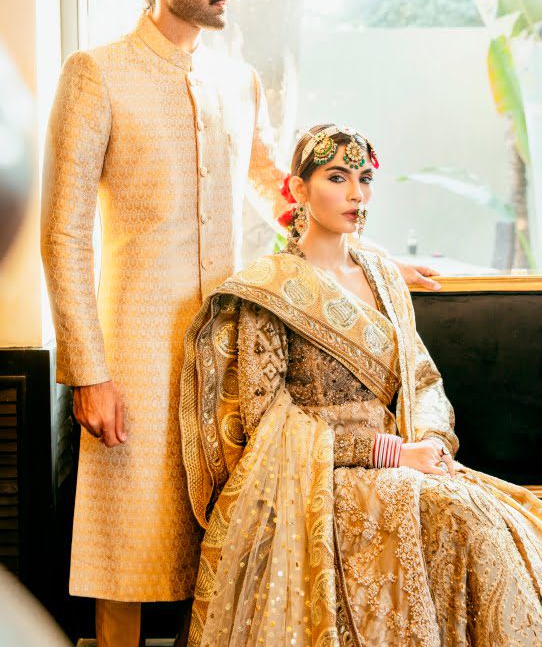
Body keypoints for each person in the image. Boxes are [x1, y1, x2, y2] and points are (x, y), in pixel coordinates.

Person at [40, 0, 436, 647]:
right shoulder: (96, 74)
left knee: (227, 544)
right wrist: (87, 372)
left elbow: (270, 185)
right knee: (125, 551)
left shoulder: (236, 79)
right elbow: (63, 232)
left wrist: (370, 260)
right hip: (132, 348)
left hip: (232, 350)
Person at [180, 124, 542, 647]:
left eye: (365, 178)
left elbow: (421, 377)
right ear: (298, 190)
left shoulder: (383, 276)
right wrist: (390, 453)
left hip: (414, 458)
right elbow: (269, 423)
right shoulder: (269, 288)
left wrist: (434, 443)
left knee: (503, 526)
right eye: (338, 177)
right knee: (463, 518)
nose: (357, 194)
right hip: (321, 475)